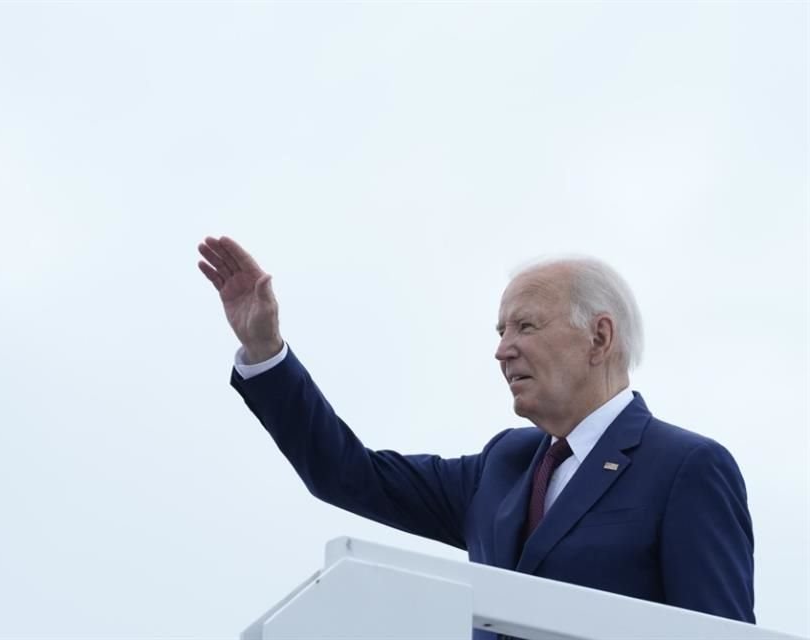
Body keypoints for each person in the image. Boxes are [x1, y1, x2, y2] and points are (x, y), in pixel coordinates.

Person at [197, 235, 755, 636]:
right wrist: (266, 353)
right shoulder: (502, 467)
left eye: (526, 326)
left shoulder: (687, 468)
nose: (502, 348)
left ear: (599, 336)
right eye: (500, 330)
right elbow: (347, 473)